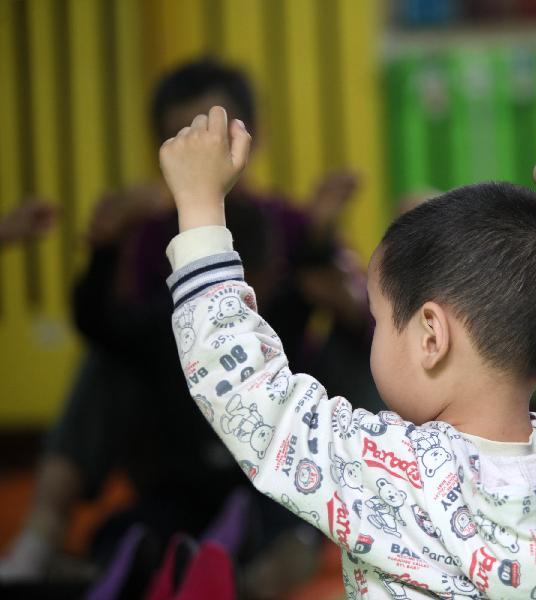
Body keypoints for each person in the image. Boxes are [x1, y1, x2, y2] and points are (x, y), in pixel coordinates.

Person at [157, 64, 536, 598]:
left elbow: (250, 397)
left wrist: (198, 209)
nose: (373, 333)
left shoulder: (392, 473)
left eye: (380, 319)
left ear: (432, 336)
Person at [0, 59, 375, 600]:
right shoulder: (151, 233)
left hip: (276, 455)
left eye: (214, 134)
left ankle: (327, 530)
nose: (202, 152)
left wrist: (325, 250)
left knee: (361, 346)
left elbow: (347, 321)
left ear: (250, 137)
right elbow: (107, 329)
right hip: (178, 442)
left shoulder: (289, 225)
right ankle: (48, 532)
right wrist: (107, 249)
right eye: (184, 137)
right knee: (111, 359)